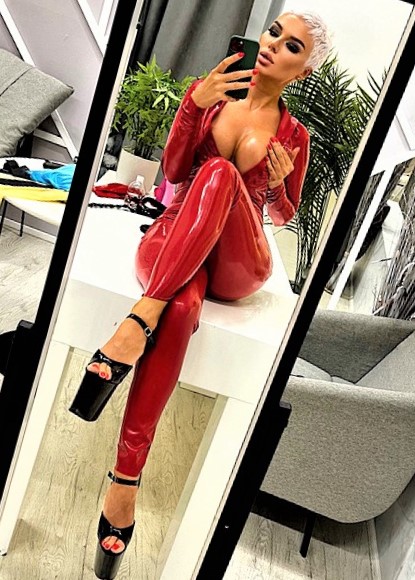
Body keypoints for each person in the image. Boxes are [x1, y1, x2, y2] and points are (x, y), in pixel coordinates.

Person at [69, 10, 331, 579]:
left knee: (220, 176)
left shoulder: (295, 135)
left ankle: (136, 322)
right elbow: (171, 172)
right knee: (183, 306)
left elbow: (282, 215)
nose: (273, 44)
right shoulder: (208, 94)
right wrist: (192, 105)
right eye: (273, 32)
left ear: (304, 70)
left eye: (292, 45)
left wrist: (279, 186)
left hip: (238, 258)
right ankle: (124, 484)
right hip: (177, 238)